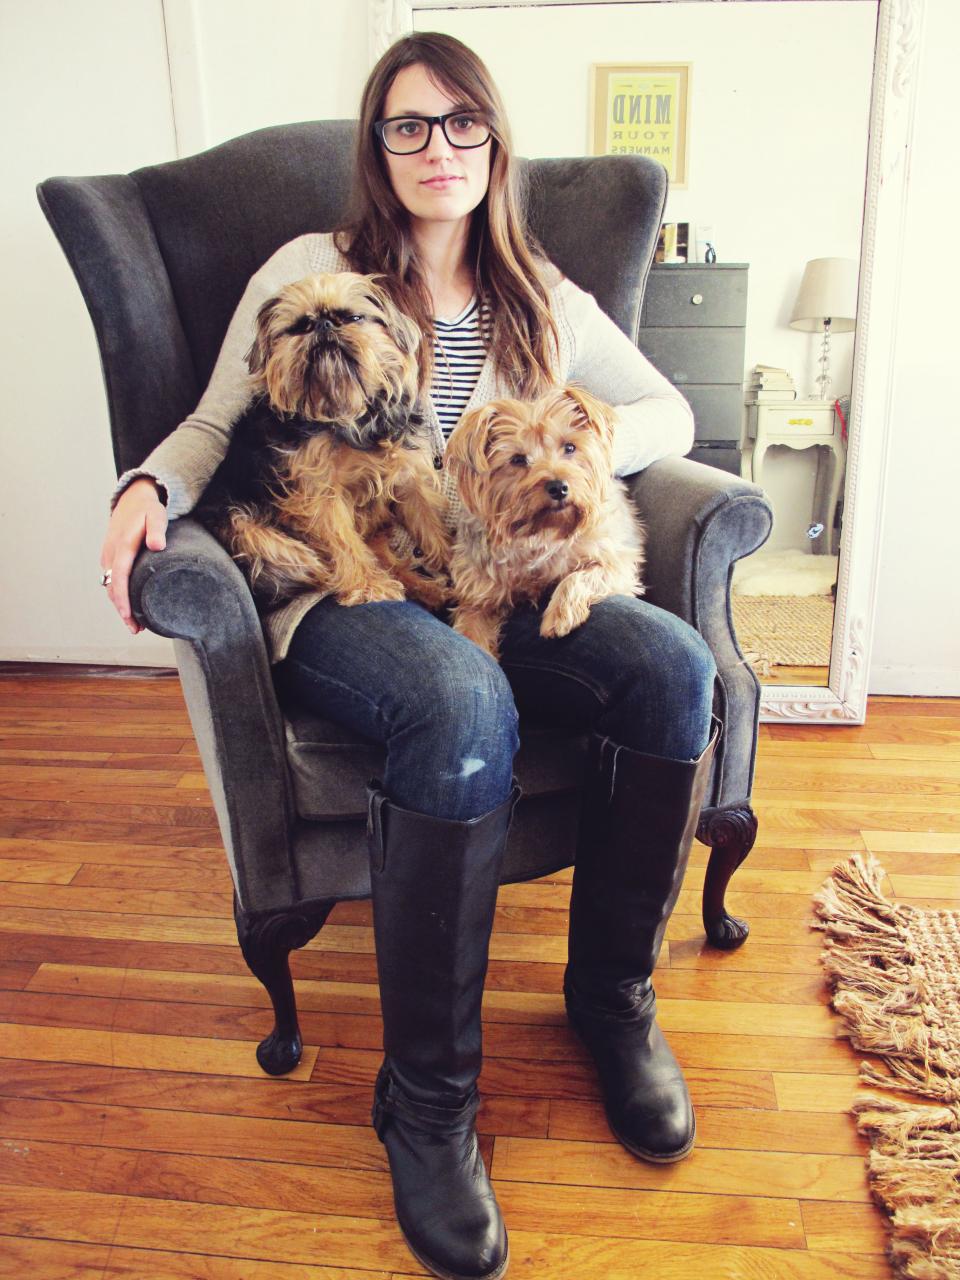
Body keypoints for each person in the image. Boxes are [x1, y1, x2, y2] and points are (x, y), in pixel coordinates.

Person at [100, 32, 717, 1280]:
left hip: (492, 573)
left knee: (672, 670)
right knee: (460, 699)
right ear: (375, 148)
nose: (438, 148)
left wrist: (579, 447)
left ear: (496, 143)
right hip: (349, 590)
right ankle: (428, 1100)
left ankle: (613, 999)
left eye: (461, 125)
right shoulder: (312, 268)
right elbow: (223, 414)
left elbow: (674, 411)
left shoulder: (543, 294)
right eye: (407, 125)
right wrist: (144, 487)